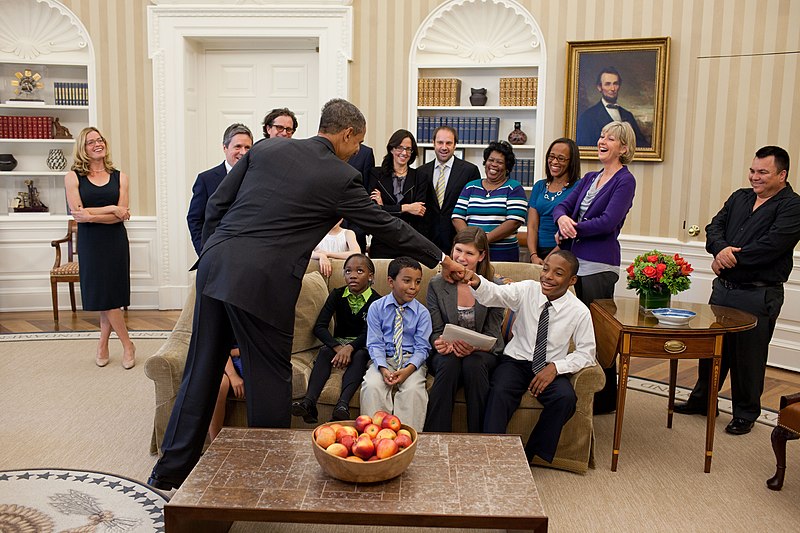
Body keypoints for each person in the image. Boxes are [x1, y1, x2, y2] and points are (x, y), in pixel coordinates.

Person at [148, 98, 464, 491]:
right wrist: (441, 257)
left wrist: (218, 249)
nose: (356, 153)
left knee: (200, 370)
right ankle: (270, 476)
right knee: (270, 379)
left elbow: (217, 202)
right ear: (347, 134)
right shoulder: (339, 176)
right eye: (358, 143)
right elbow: (387, 226)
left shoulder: (267, 147)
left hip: (215, 266)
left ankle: (169, 472)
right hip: (261, 282)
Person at [674, 146, 800, 435]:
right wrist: (720, 251)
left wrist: (730, 260)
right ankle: (702, 400)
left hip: (758, 293)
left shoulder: (793, 206)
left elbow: (771, 246)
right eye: (752, 171)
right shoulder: (739, 197)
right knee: (712, 349)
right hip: (724, 289)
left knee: (748, 356)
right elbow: (713, 228)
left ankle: (745, 412)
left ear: (782, 175)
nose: (755, 177)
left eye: (763, 172)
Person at [467, 250, 596, 464]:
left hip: (549, 367)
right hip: (515, 362)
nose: (547, 276)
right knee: (499, 391)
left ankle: (530, 455)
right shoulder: (527, 290)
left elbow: (587, 353)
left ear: (572, 280)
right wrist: (477, 282)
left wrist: (556, 367)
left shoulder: (579, 311)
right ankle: (491, 450)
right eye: (545, 269)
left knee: (565, 398)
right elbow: (496, 294)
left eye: (558, 273)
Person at [553, 121, 637, 415]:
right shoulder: (590, 177)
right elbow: (561, 206)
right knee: (570, 330)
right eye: (601, 135)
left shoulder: (625, 181)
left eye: (611, 138)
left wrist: (571, 228)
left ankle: (604, 399)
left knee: (598, 334)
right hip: (573, 261)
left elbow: (609, 221)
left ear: (623, 148)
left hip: (600, 265)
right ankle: (574, 388)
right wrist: (563, 219)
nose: (602, 140)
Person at [64, 127, 135, 369]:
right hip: (91, 244)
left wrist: (96, 214)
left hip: (115, 241)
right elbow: (77, 213)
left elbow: (121, 213)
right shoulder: (73, 177)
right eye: (90, 142)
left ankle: (103, 344)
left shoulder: (120, 176)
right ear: (82, 149)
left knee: (111, 295)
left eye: (100, 140)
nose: (97, 144)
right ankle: (127, 344)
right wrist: (111, 209)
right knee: (105, 296)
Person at [423, 227, 504, 433]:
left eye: (470, 253)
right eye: (458, 250)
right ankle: (436, 436)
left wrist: (474, 347)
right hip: (447, 352)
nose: (461, 258)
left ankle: (480, 437)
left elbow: (493, 335)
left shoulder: (494, 286)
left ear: (481, 256)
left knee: (473, 364)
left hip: (480, 354)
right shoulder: (436, 284)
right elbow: (436, 328)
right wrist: (437, 341)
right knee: (449, 363)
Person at [292, 254, 380, 423]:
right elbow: (319, 327)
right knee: (325, 351)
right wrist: (337, 347)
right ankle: (309, 402)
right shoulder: (337, 294)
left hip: (363, 345)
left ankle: (342, 405)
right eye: (348, 271)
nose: (352, 275)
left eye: (359, 271)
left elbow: (370, 333)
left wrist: (350, 348)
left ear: (370, 276)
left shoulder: (377, 301)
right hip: (338, 343)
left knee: (360, 355)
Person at [361, 257, 432, 430]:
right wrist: (383, 368)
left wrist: (408, 370)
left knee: (414, 391)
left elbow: (422, 348)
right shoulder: (376, 308)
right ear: (391, 282)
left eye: (418, 282)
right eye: (407, 281)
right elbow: (375, 343)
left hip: (411, 362)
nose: (413, 287)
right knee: (371, 385)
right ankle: (375, 436)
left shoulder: (422, 313)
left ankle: (406, 438)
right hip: (384, 359)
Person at [452, 140, 528, 262]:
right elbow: (457, 217)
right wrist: (470, 241)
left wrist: (481, 241)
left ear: (507, 167)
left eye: (499, 162)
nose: (493, 164)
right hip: (470, 255)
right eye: (491, 160)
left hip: (503, 254)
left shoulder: (514, 188)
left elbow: (514, 221)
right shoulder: (471, 186)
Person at [186, 123, 253, 255]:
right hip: (216, 252)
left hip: (249, 254)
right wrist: (203, 252)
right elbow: (194, 219)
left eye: (247, 147)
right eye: (238, 146)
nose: (243, 152)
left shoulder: (257, 179)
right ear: (225, 148)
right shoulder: (206, 179)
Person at [366, 129, 428, 258]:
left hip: (410, 241)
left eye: (408, 149)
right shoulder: (376, 174)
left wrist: (384, 208)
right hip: (382, 241)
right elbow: (373, 211)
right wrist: (407, 208)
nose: (404, 153)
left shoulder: (420, 177)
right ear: (392, 149)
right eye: (400, 148)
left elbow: (419, 212)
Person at [418, 126, 481, 253]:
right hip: (428, 240)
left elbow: (474, 207)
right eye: (440, 142)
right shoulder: (421, 172)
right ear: (433, 144)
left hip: (458, 240)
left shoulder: (469, 171)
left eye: (449, 143)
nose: (444, 147)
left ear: (455, 145)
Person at [527, 138, 581, 264]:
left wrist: (550, 258)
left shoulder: (579, 187)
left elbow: (575, 226)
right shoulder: (539, 186)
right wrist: (533, 255)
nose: (554, 162)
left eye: (561, 158)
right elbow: (532, 225)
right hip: (537, 253)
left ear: (571, 162)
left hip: (564, 251)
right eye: (551, 156)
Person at [576, 66, 649, 148]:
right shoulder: (587, 117)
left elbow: (642, 145)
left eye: (615, 84)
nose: (613, 88)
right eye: (608, 84)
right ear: (599, 87)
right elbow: (584, 148)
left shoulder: (628, 115)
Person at [344, 143, 376, 252]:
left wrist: (362, 228)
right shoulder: (322, 149)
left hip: (355, 225)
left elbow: (367, 191)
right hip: (326, 228)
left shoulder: (365, 153)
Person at [208, 346, 244, 441]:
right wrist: (233, 375)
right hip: (224, 363)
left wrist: (235, 351)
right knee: (220, 384)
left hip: (249, 360)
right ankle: (215, 445)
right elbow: (217, 348)